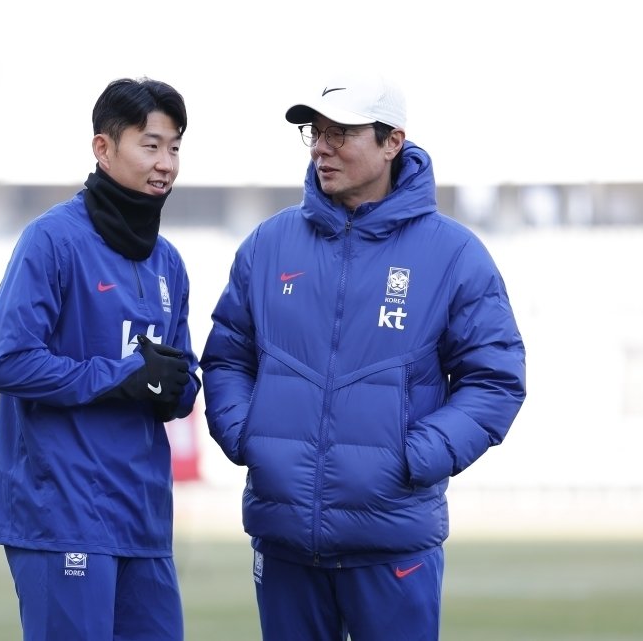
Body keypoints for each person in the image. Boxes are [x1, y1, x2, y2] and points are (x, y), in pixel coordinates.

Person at [200, 73, 526, 641]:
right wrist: (245, 434)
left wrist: (414, 456)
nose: (322, 147)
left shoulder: (455, 254)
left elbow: (494, 381)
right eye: (315, 133)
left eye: (341, 134)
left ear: (392, 141)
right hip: (284, 543)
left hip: (393, 541)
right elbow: (228, 356)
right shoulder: (267, 244)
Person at [0, 77, 200, 641]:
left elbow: (179, 374)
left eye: (174, 147)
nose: (166, 163)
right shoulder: (51, 240)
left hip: (143, 517)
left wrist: (178, 387)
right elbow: (5, 361)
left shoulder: (169, 262)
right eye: (150, 145)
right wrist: (124, 377)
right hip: (62, 514)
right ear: (103, 148)